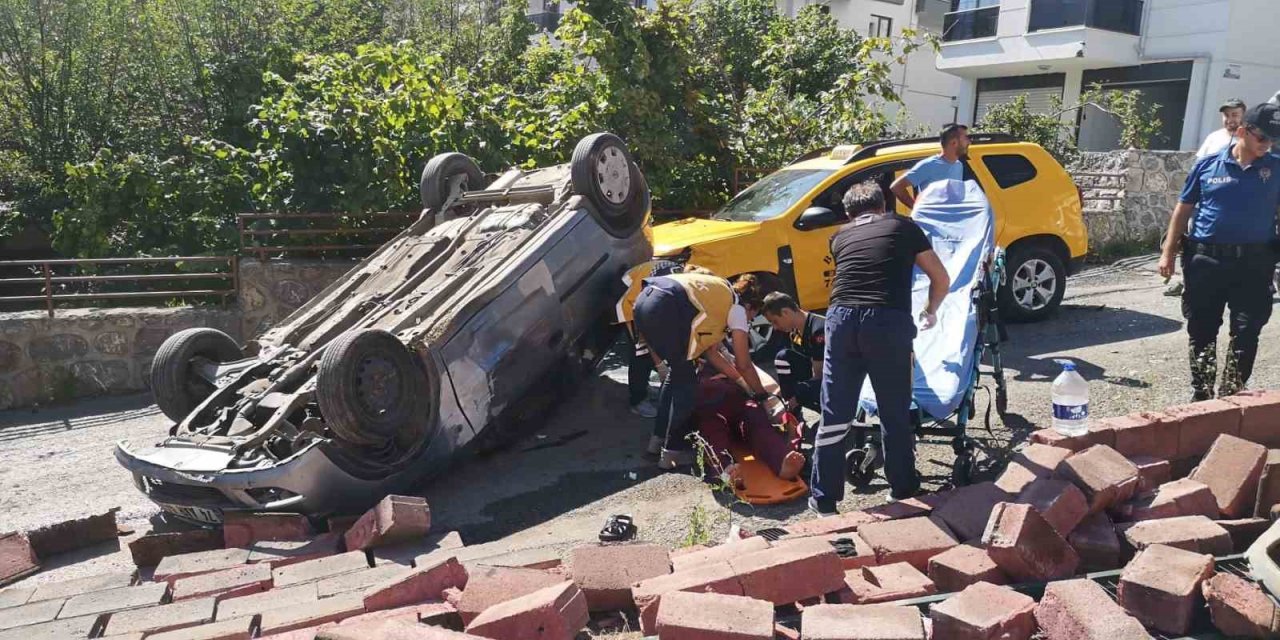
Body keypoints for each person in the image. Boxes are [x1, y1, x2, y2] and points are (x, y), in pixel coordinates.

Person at [810, 180, 950, 514]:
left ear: (848, 213)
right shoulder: (903, 226)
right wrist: (930, 310)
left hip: (840, 320)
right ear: (883, 206)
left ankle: (824, 500)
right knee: (893, 410)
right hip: (886, 321)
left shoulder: (839, 237)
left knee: (835, 413)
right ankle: (902, 487)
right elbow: (940, 278)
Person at [1158, 103, 1280, 401]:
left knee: (1247, 330)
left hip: (1254, 262)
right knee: (1201, 328)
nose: (1269, 144)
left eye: (1274, 138)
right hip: (1205, 260)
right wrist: (1168, 252)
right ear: (1242, 131)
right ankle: (1202, 393)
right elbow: (1183, 209)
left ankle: (1231, 395)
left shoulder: (1276, 168)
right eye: (1263, 137)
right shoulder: (1207, 165)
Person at [628, 272, 771, 469]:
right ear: (749, 307)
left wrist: (741, 383)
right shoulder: (737, 309)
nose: (748, 322)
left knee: (677, 375)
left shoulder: (718, 294)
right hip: (666, 308)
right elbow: (744, 363)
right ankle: (669, 456)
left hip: (644, 301)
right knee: (687, 388)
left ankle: (656, 443)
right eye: (751, 317)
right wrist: (761, 394)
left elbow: (712, 354)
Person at [690, 366, 806, 487]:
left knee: (758, 422)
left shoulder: (726, 352)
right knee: (713, 432)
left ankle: (781, 460)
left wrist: (767, 400)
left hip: (737, 398)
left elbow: (749, 368)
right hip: (709, 404)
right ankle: (726, 470)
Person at [615, 259, 687, 420]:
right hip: (628, 302)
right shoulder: (671, 287)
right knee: (640, 351)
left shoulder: (680, 281)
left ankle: (643, 386)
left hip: (642, 293)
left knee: (651, 345)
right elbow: (646, 333)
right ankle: (638, 400)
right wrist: (660, 365)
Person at [761, 291, 824, 415]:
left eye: (775, 321)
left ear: (785, 312)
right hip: (817, 377)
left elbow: (820, 375)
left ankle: (793, 406)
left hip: (840, 381)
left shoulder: (819, 330)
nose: (775, 327)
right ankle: (791, 411)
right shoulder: (795, 332)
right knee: (783, 357)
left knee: (800, 390)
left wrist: (798, 395)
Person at [890, 124, 970, 210]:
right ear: (954, 142)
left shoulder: (958, 165)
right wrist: (917, 209)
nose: (969, 142)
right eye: (965, 138)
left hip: (950, 221)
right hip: (930, 222)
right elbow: (896, 187)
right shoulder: (929, 165)